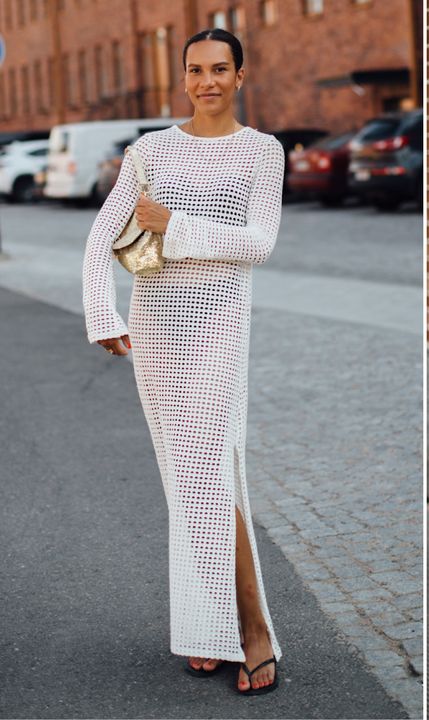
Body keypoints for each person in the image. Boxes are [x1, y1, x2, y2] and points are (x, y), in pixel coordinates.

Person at [82, 28, 285, 695]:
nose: (207, 82)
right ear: (184, 78)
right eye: (195, 70)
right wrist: (102, 315)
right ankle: (208, 625)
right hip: (157, 327)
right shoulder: (151, 150)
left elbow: (259, 244)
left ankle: (252, 628)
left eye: (220, 69)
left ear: (241, 74)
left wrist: (173, 224)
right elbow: (100, 239)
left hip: (219, 324)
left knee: (208, 470)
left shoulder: (262, 152)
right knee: (187, 475)